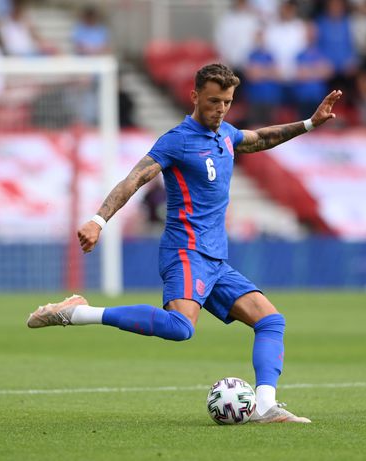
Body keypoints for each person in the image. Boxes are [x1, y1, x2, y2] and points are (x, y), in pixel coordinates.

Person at [27, 63, 343, 424]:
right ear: (194, 96)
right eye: (213, 101)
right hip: (185, 251)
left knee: (271, 321)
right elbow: (134, 179)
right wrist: (99, 221)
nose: (220, 109)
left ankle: (266, 405)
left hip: (215, 259)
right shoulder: (176, 140)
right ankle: (77, 312)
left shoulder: (225, 134)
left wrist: (309, 124)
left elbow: (260, 139)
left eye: (226, 101)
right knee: (181, 327)